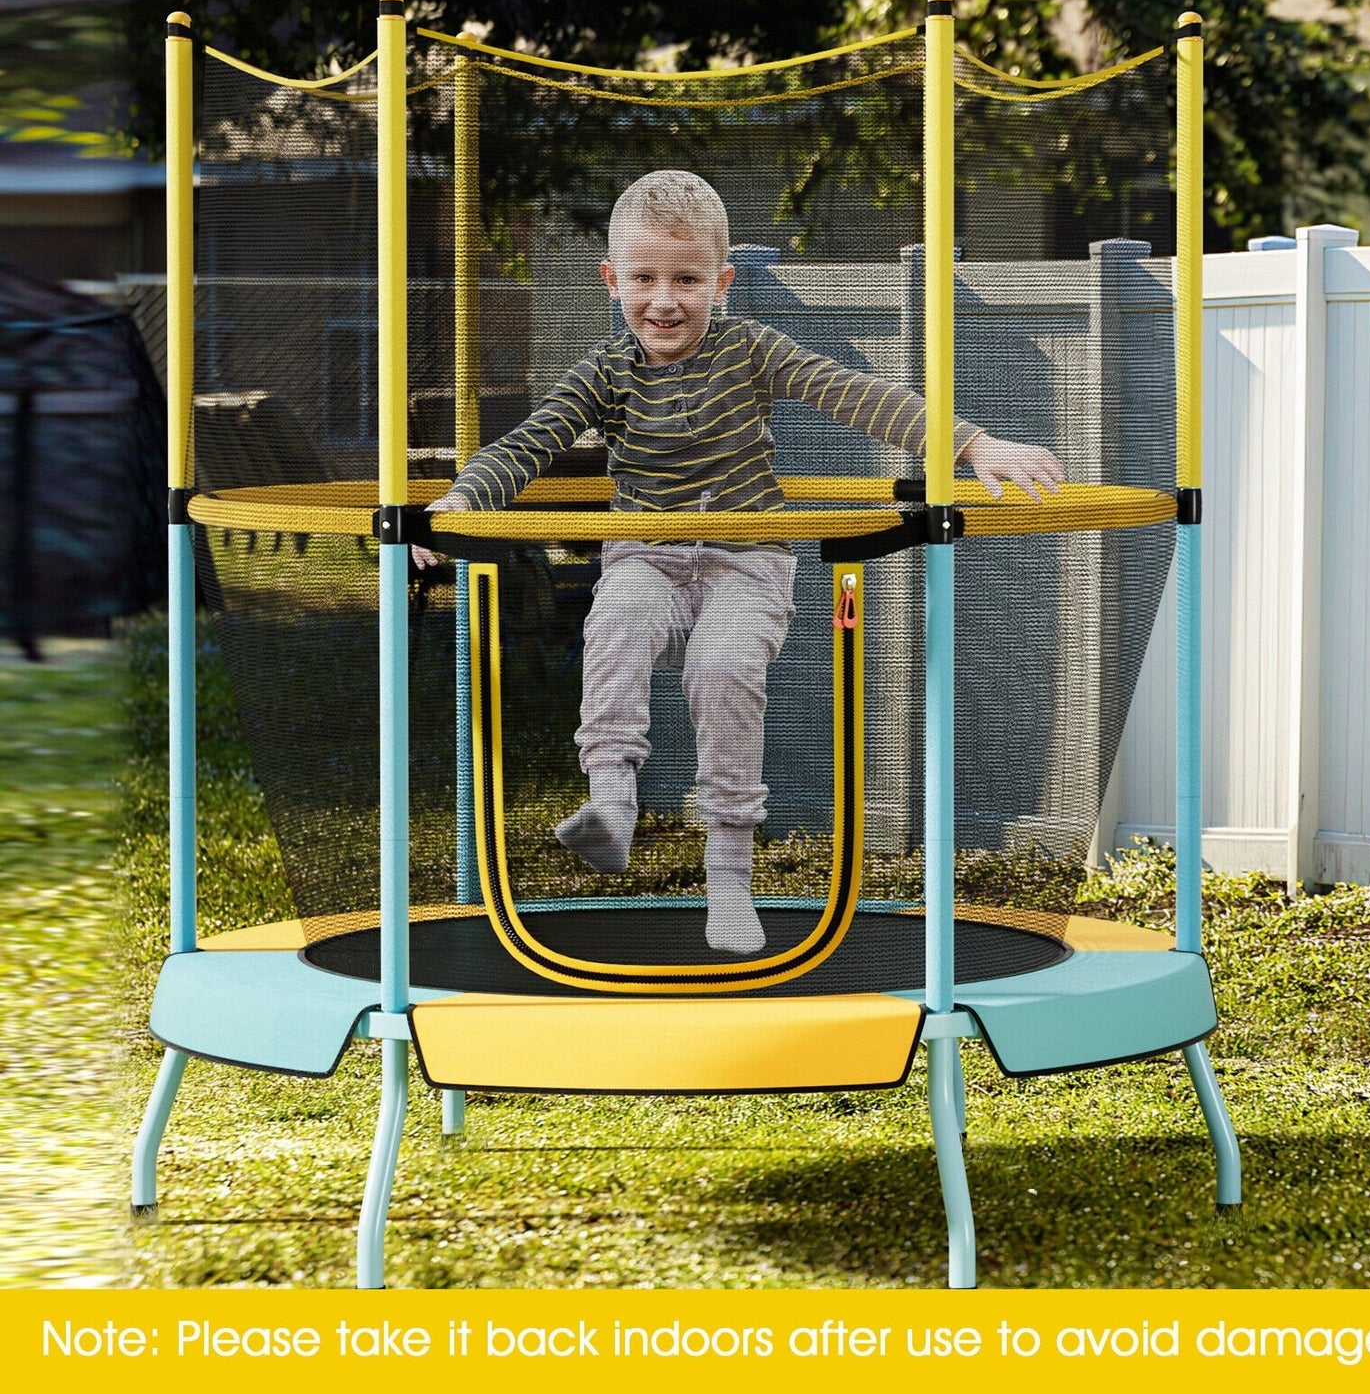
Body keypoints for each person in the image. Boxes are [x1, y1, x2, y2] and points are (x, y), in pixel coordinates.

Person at [415, 170, 1063, 956]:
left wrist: (971, 443)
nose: (664, 300)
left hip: (745, 560)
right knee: (613, 622)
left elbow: (852, 392)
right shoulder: (604, 369)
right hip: (645, 557)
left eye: (686, 279)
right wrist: (462, 502)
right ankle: (612, 802)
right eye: (644, 279)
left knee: (721, 673)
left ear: (720, 283)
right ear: (610, 280)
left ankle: (728, 878)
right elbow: (532, 439)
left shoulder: (750, 349)